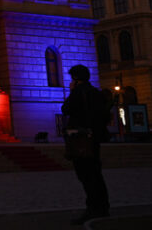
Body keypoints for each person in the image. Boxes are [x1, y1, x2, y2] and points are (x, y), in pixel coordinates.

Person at [62, 64, 110, 225]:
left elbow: (65, 108)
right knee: (96, 173)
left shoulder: (78, 92)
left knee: (86, 175)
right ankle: (103, 208)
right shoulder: (96, 92)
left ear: (75, 78)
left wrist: (72, 91)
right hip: (94, 138)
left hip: (81, 140)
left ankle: (93, 209)